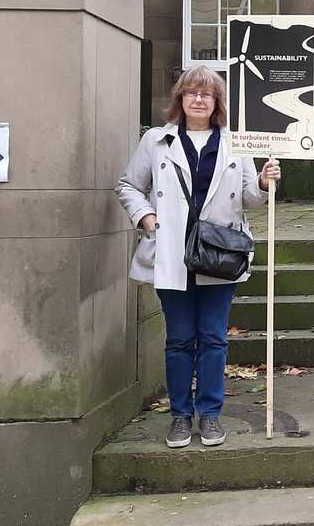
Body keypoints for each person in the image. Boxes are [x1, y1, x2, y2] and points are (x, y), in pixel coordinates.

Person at [116, 66, 280, 449]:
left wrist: (262, 182)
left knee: (212, 338)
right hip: (172, 251)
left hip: (218, 253)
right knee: (178, 339)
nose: (198, 100)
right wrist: (146, 217)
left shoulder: (235, 143)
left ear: (217, 101)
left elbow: (249, 200)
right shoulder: (157, 141)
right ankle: (179, 416)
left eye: (206, 94)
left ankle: (209, 415)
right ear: (180, 98)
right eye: (191, 92)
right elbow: (128, 185)